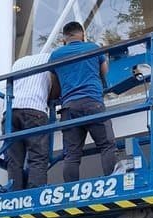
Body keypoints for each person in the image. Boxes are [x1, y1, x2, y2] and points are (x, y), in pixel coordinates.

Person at [49, 21, 117, 182]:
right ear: (82, 35)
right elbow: (104, 72)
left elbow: (54, 85)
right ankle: (113, 181)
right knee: (107, 145)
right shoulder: (93, 48)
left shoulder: (55, 55)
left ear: (64, 38)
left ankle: (70, 189)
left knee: (71, 155)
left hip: (69, 107)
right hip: (93, 102)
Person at [3, 52, 52, 191]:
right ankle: (34, 192)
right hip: (34, 108)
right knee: (38, 156)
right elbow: (56, 87)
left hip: (10, 111)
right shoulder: (51, 57)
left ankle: (15, 194)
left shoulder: (18, 62)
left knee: (14, 160)